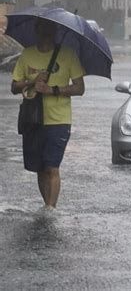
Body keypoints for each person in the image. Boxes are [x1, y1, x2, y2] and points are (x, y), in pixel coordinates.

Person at [11, 18, 85, 211]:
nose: (46, 33)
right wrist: (33, 82)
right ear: (36, 30)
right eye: (42, 28)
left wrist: (52, 90)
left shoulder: (68, 55)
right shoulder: (27, 55)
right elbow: (14, 86)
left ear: (55, 32)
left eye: (49, 29)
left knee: (52, 166)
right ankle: (47, 204)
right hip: (33, 119)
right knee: (40, 167)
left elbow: (79, 88)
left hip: (58, 120)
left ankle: (51, 208)